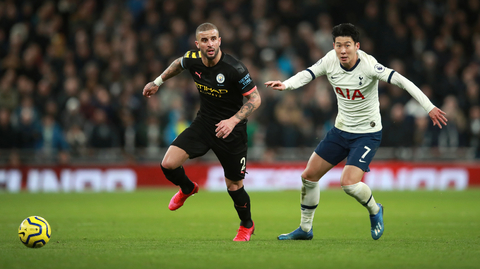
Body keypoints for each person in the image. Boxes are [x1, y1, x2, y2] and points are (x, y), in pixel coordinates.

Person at [265, 23, 447, 240]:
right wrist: (286, 85)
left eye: (347, 46)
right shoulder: (330, 60)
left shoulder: (369, 65)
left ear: (357, 46)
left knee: (349, 184)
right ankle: (305, 229)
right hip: (340, 130)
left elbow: (402, 81)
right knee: (309, 176)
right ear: (333, 46)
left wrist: (429, 107)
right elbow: (308, 74)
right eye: (339, 45)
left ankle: (375, 210)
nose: (342, 51)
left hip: (367, 134)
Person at [142, 23, 261, 241]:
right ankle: (187, 188)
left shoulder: (235, 68)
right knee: (168, 164)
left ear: (219, 40)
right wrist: (157, 81)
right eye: (204, 40)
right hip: (204, 124)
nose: (210, 44)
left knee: (234, 186)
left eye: (213, 39)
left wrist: (233, 121)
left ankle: (247, 225)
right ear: (198, 44)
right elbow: (178, 63)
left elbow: (255, 98)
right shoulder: (193, 58)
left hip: (231, 130)